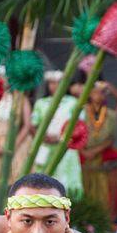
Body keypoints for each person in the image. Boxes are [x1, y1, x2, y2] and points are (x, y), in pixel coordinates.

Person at [81, 80, 117, 218]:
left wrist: (94, 151)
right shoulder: (80, 112)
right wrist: (83, 151)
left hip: (102, 153)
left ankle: (107, 217)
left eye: (102, 93)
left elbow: (110, 139)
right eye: (95, 92)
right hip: (84, 153)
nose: (99, 95)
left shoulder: (110, 115)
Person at [32, 71, 83, 199]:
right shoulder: (41, 103)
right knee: (44, 181)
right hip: (45, 146)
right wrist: (43, 137)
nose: (54, 86)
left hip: (66, 147)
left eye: (58, 83)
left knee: (66, 181)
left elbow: (80, 124)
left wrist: (63, 137)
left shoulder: (73, 102)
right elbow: (33, 124)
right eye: (51, 83)